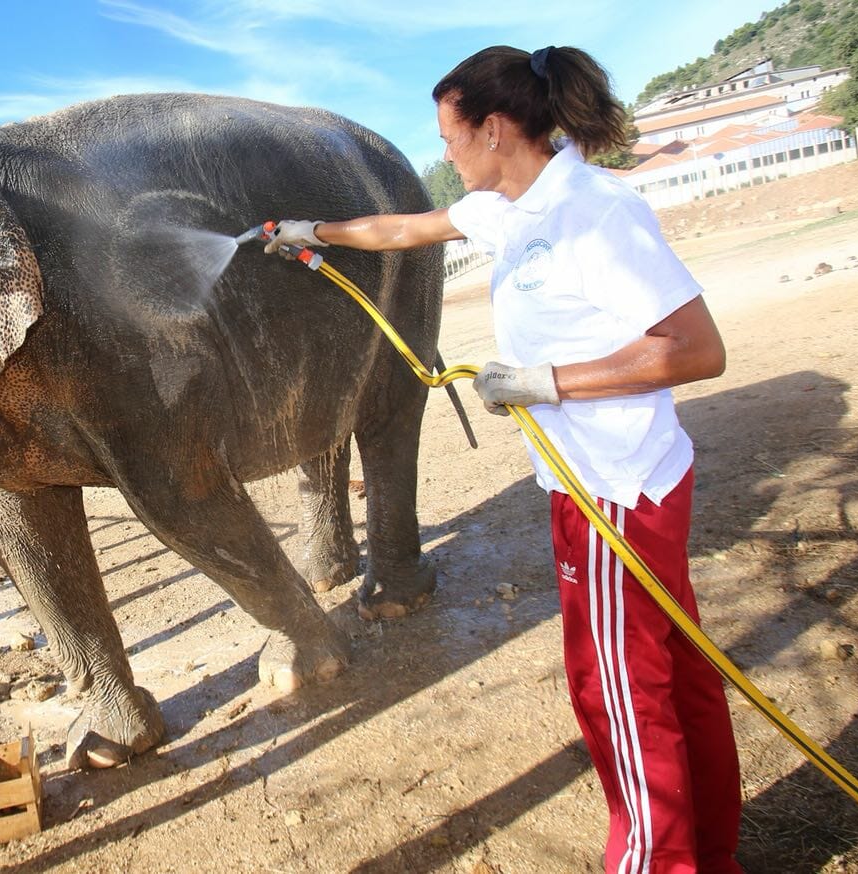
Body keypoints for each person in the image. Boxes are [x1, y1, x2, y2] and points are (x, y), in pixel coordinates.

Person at [266, 45, 742, 873]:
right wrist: (312, 232)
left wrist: (544, 382)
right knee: (676, 675)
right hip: (617, 481)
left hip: (614, 493)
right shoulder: (507, 207)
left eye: (450, 138)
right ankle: (711, 853)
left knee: (619, 695)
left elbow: (697, 349)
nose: (445, 155)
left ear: (492, 128)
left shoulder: (593, 213)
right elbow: (402, 231)